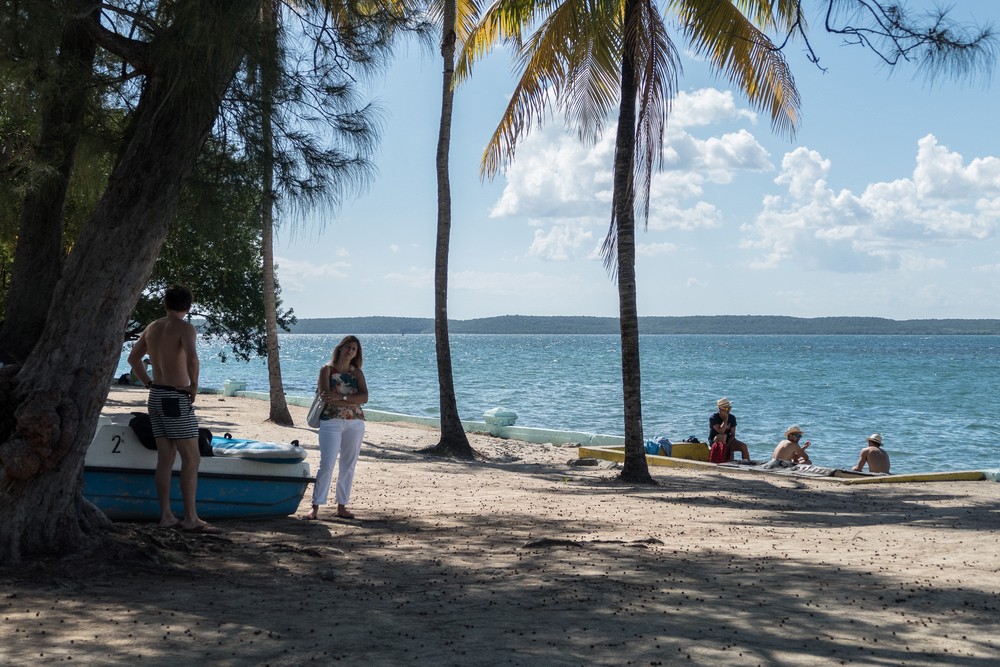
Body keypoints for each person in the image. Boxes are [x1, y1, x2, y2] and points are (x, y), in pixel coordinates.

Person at [127, 284, 220, 533]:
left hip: (156, 395)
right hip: (175, 397)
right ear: (188, 306)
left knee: (165, 459)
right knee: (192, 458)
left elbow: (133, 358)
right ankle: (191, 518)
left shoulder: (152, 327)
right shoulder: (185, 328)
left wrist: (148, 382)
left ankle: (166, 516)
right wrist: (194, 386)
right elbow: (192, 358)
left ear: (165, 303)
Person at [303, 335, 369, 521]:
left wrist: (342, 398)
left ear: (356, 353)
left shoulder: (357, 373)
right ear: (340, 348)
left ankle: (342, 506)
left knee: (348, 465)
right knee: (327, 464)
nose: (350, 351)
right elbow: (326, 396)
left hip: (355, 422)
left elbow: (364, 397)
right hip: (330, 421)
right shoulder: (327, 369)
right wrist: (351, 401)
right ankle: (315, 507)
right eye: (348, 347)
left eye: (354, 349)